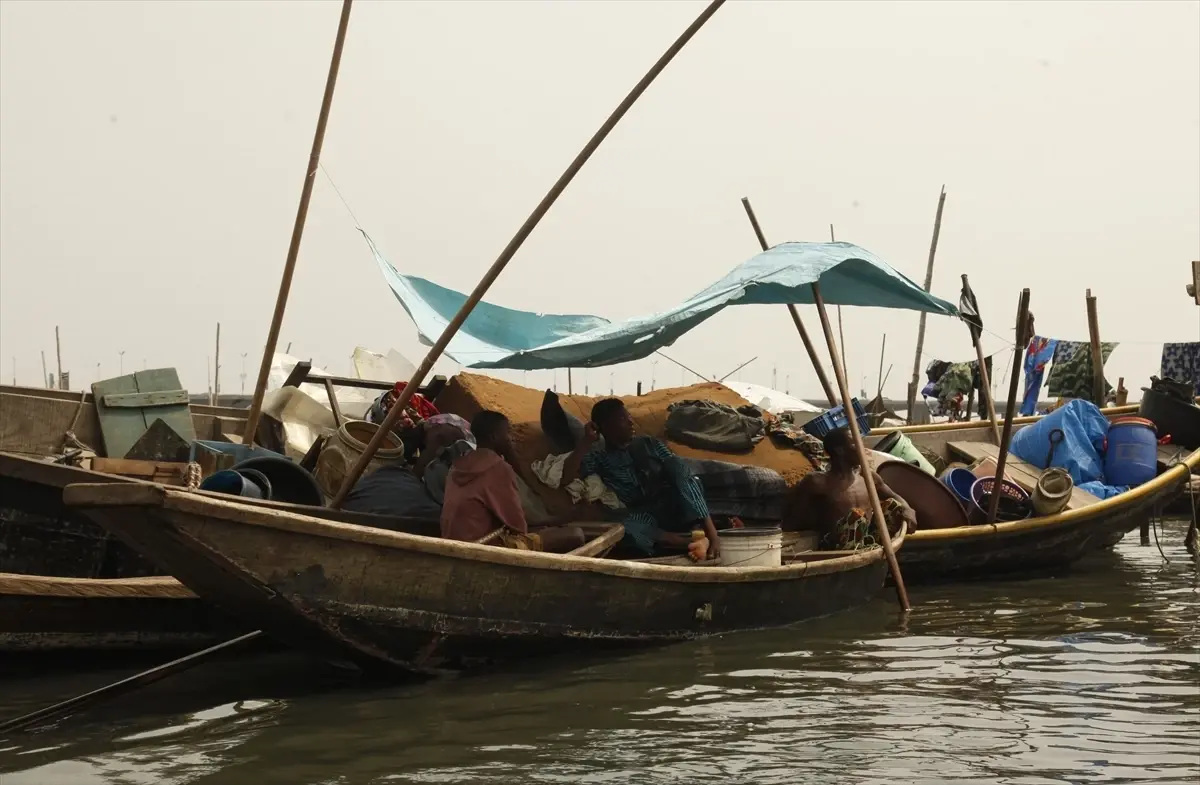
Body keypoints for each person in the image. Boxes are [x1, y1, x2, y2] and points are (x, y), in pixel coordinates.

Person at [562, 398, 720, 558]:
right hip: (643, 516)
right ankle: (689, 543)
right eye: (622, 419)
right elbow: (566, 477)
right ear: (605, 427)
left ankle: (709, 533)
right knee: (620, 524)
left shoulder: (649, 444)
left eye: (629, 416)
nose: (631, 422)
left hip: (673, 506)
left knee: (676, 464)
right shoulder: (599, 457)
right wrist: (586, 441)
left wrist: (713, 535)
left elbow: (682, 475)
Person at [441, 410, 585, 553]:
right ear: (494, 437)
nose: (511, 438)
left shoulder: (458, 465)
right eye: (507, 433)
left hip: (456, 541)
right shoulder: (497, 467)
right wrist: (557, 520)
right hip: (486, 546)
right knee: (575, 535)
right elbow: (518, 526)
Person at [784, 426, 917, 550]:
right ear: (840, 450)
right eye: (855, 443)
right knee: (856, 519)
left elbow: (894, 496)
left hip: (869, 543)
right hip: (836, 549)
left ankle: (875, 552)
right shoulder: (818, 483)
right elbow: (793, 521)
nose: (862, 448)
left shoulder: (868, 477)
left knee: (894, 506)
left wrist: (907, 508)